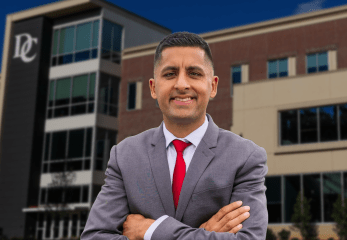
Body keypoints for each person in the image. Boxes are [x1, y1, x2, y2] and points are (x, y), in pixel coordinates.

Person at [81, 32, 268, 240]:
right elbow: (94, 237)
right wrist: (204, 234)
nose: (181, 84)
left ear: (213, 86)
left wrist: (151, 231)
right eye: (170, 74)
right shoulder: (125, 156)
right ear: (153, 88)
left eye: (194, 73)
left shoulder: (246, 157)